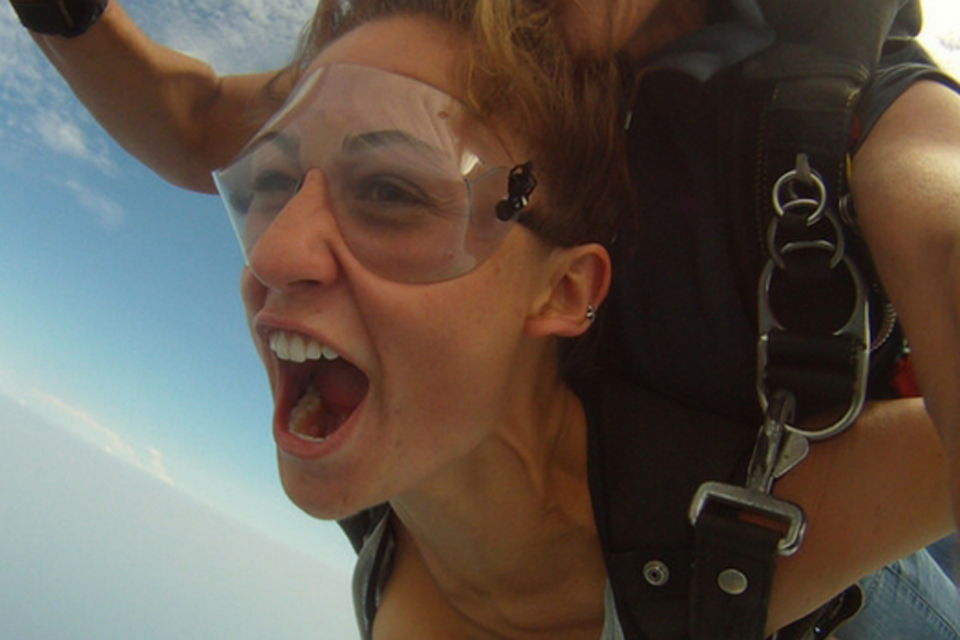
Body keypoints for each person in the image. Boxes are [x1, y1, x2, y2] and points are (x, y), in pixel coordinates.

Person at [11, 0, 959, 636]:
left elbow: (942, 214)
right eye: (270, 187)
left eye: (389, 192)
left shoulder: (845, 92)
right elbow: (199, 117)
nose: (272, 254)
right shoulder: (437, 57)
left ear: (568, 289)